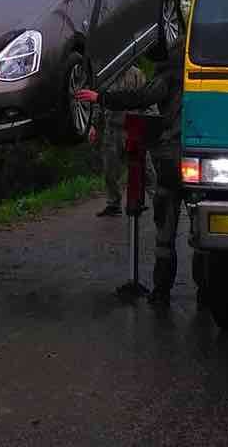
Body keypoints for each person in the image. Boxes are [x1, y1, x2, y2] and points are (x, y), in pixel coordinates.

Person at [78, 19, 186, 304]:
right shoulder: (203, 73)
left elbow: (143, 97)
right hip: (203, 158)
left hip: (172, 154)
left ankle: (161, 292)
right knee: (201, 228)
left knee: (165, 229)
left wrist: (101, 98)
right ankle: (205, 292)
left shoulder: (166, 73)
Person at [92, 64, 152, 216]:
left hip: (133, 128)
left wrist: (150, 124)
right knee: (110, 170)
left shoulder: (137, 74)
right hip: (112, 129)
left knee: (145, 169)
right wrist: (93, 125)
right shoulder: (106, 75)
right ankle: (113, 203)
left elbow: (147, 99)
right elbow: (98, 101)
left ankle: (155, 199)